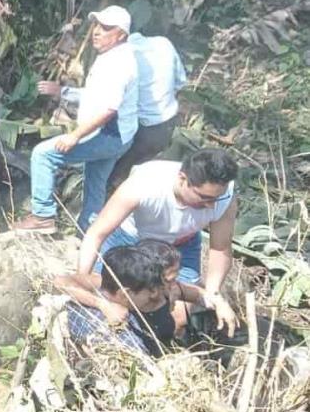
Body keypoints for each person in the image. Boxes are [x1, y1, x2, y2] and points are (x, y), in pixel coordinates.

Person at [14, 5, 139, 233]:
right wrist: (62, 91)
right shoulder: (112, 56)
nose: (97, 31)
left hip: (108, 135)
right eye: (97, 25)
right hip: (118, 137)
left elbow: (108, 110)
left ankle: (42, 216)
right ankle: (88, 232)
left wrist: (74, 136)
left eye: (106, 27)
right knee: (95, 184)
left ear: (121, 35)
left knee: (43, 154)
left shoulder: (119, 64)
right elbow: (96, 97)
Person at [77, 148, 238, 300]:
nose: (211, 205)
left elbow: (220, 248)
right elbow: (97, 233)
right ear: (182, 179)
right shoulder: (145, 183)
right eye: (204, 197)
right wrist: (81, 279)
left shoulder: (225, 196)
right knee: (112, 294)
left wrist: (212, 294)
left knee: (179, 307)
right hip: (130, 240)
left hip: (180, 246)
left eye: (216, 198)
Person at [56, 240, 238, 356]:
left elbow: (199, 294)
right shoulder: (117, 283)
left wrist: (219, 303)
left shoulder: (166, 289)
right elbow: (61, 281)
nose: (172, 285)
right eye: (168, 280)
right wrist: (102, 305)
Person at [107, 32, 187, 192]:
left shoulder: (122, 55)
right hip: (167, 126)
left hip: (140, 132)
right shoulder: (164, 43)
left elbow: (110, 100)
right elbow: (180, 82)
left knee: (112, 177)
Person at [58, 245, 167, 356]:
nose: (154, 296)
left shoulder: (104, 286)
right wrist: (103, 305)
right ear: (126, 293)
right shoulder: (129, 345)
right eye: (151, 291)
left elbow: (62, 280)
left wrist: (101, 304)